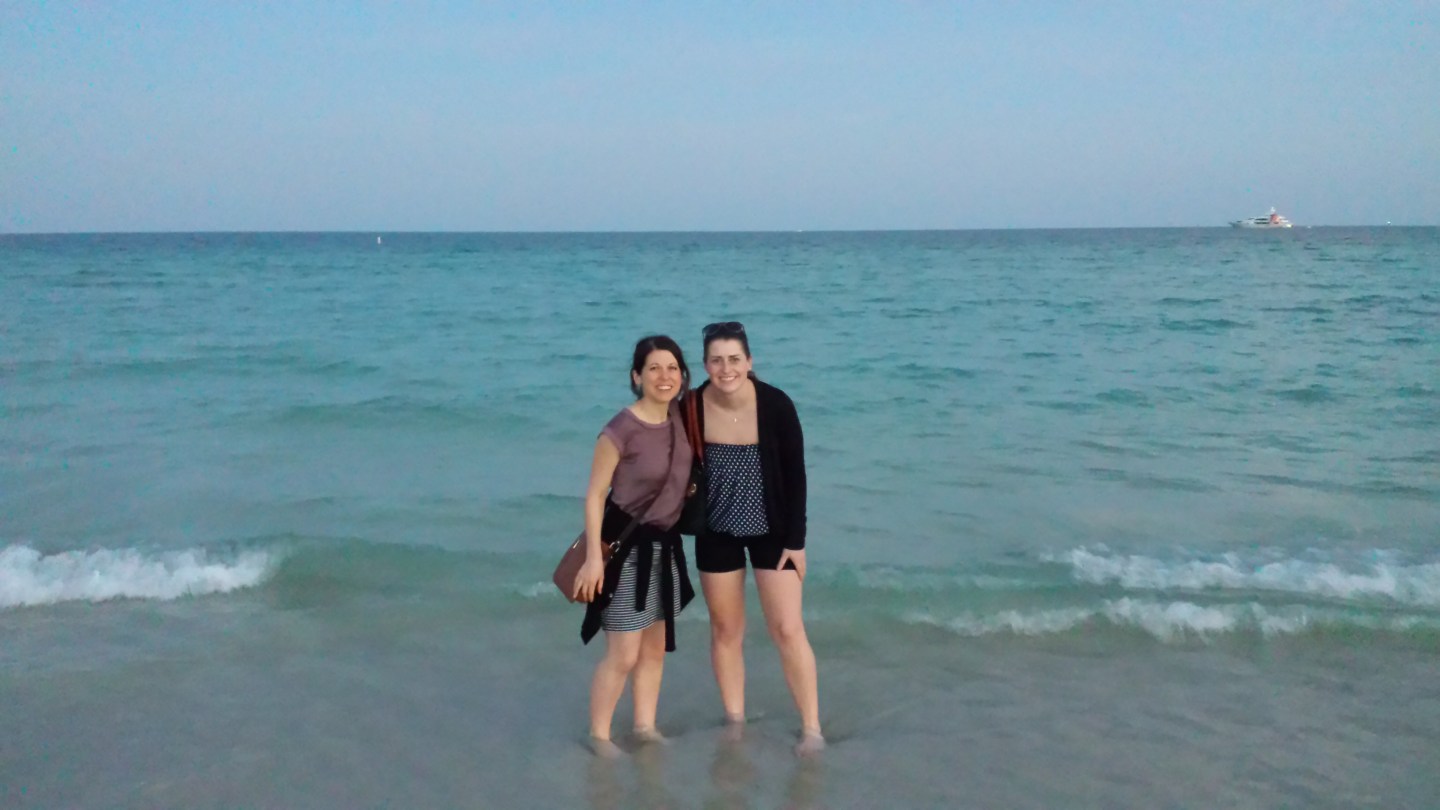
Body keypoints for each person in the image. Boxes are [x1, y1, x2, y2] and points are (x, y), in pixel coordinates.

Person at [685, 321, 824, 756]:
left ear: (749, 361)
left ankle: (811, 728)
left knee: (787, 628)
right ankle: (735, 721)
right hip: (716, 532)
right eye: (716, 360)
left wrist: (797, 541)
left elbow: (796, 476)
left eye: (734, 359)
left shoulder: (776, 404)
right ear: (705, 364)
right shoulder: (690, 407)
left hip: (774, 533)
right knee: (726, 630)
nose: (725, 368)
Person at [575, 335, 696, 757]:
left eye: (672, 368)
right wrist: (594, 560)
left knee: (654, 649)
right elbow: (595, 495)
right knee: (623, 653)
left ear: (682, 375)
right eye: (654, 368)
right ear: (636, 376)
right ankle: (599, 735)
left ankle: (645, 726)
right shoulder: (620, 429)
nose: (664, 376)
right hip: (625, 550)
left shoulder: (682, 416)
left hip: (665, 547)